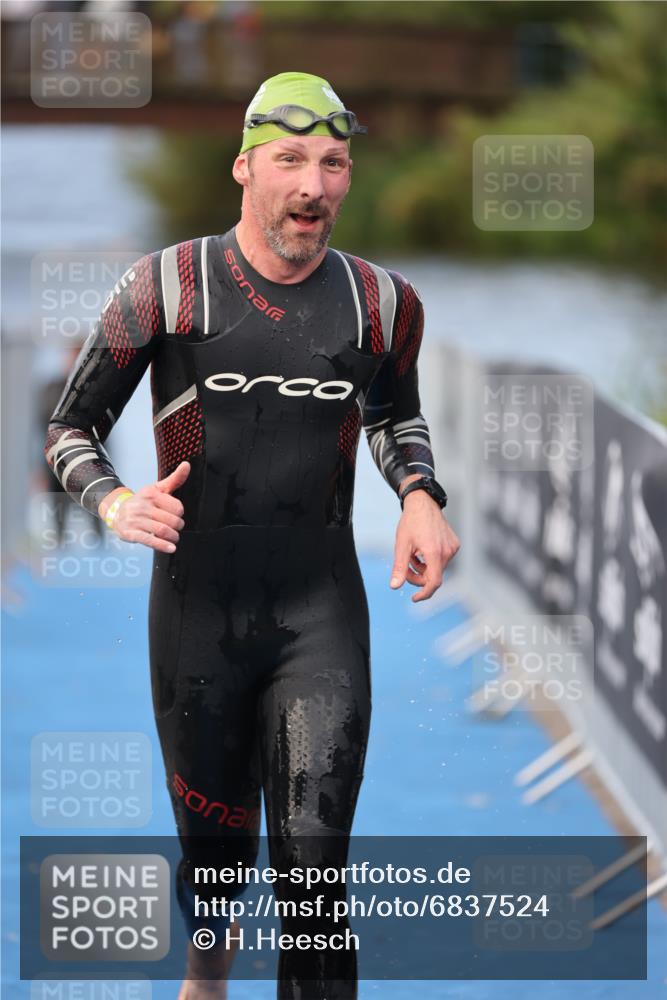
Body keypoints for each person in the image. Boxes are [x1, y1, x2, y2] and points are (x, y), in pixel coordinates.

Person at [44, 71, 460, 1000]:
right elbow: (69, 430)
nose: (313, 185)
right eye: (291, 160)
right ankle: (208, 970)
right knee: (216, 861)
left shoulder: (383, 305)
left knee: (314, 877)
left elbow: (396, 419)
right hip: (199, 616)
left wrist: (423, 496)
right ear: (244, 168)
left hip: (319, 612)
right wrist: (114, 502)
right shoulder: (165, 286)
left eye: (333, 163)